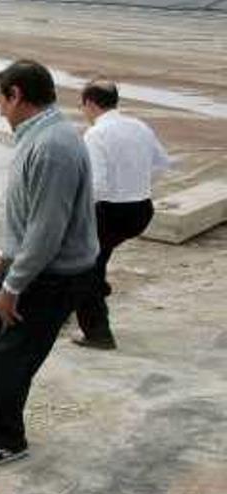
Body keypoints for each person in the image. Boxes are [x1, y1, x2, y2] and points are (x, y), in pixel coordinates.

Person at [0, 60, 98, 469]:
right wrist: (9, 255)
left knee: (12, 357)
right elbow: (31, 216)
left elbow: (48, 230)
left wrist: (14, 285)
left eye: (0, 99)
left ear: (16, 95)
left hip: (51, 276)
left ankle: (7, 442)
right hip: (28, 265)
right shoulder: (38, 137)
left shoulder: (52, 147)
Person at [73, 79, 171, 350]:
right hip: (141, 209)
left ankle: (98, 334)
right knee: (98, 257)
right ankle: (100, 286)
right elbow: (163, 164)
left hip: (111, 212)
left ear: (91, 103)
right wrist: (137, 185)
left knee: (84, 269)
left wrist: (76, 214)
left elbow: (97, 186)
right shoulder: (140, 126)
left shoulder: (96, 134)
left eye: (82, 105)